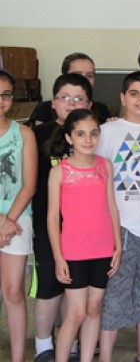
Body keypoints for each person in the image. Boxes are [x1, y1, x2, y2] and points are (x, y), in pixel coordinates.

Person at [97, 71, 140, 362]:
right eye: (134, 94)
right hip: (120, 228)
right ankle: (105, 355)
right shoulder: (106, 131)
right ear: (123, 98)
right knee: (115, 295)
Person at [29, 73, 96, 362]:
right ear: (53, 102)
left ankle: (71, 345)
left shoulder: (93, 134)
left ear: (89, 104)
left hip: (84, 230)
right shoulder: (37, 135)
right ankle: (44, 345)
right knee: (49, 286)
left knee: (76, 288)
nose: (71, 103)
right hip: (49, 225)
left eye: (78, 99)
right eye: (65, 98)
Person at [46, 109, 122, 362]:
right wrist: (58, 257)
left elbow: (111, 206)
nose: (88, 140)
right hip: (74, 250)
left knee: (94, 307)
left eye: (93, 133)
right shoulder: (59, 172)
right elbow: (52, 217)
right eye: (80, 134)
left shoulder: (105, 166)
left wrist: (118, 246)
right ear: (69, 137)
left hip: (102, 247)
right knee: (76, 312)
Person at [0, 69, 37, 362]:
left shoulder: (24, 133)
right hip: (4, 222)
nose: (1, 100)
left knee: (13, 292)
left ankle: (16, 358)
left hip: (17, 220)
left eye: (6, 94)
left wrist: (8, 220)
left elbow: (29, 184)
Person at [31, 52, 112, 125]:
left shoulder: (101, 109)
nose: (84, 79)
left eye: (89, 75)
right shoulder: (45, 108)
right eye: (77, 75)